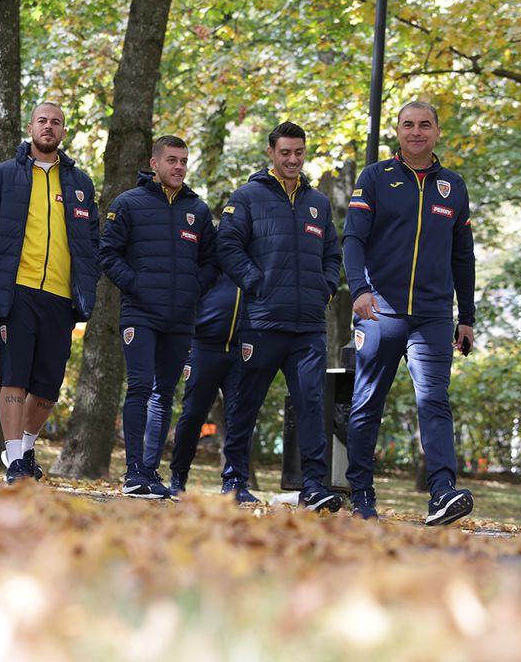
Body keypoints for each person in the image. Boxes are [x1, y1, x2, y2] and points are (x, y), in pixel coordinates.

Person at [343, 101, 476, 525]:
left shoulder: (453, 187)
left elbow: (463, 257)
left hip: (434, 315)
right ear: (397, 133)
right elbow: (352, 240)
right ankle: (361, 493)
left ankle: (442, 493)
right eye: (407, 126)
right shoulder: (375, 178)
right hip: (380, 309)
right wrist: (360, 290)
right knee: (367, 402)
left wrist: (467, 316)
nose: (416, 132)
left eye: (424, 125)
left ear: (437, 132)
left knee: (435, 400)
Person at [217, 121, 343, 510]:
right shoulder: (249, 197)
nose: (292, 159)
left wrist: (325, 286)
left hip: (307, 326)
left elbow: (333, 255)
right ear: (271, 153)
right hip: (262, 320)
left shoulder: (317, 203)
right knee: (246, 401)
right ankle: (234, 481)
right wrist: (256, 283)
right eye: (285, 152)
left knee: (311, 402)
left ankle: (313, 486)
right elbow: (228, 244)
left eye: (298, 152)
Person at [0, 102, 101, 484]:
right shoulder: (0, 177)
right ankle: (14, 460)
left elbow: (92, 240)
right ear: (30, 126)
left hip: (62, 296)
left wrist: (87, 277)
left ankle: (25, 448)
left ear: (64, 132)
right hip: (18, 291)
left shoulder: (80, 184)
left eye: (56, 122)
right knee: (14, 376)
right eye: (42, 121)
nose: (48, 127)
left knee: (48, 384)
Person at [100, 135, 218, 498]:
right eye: (172, 160)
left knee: (164, 393)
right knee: (139, 386)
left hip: (180, 318)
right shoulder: (129, 204)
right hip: (140, 313)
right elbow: (107, 253)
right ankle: (133, 471)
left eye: (183, 160)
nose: (179, 167)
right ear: (154, 164)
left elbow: (212, 262)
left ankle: (151, 472)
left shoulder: (197, 210)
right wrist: (136, 284)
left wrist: (192, 290)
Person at [156, 272, 242, 496]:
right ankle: (178, 477)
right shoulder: (207, 254)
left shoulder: (250, 255)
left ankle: (234, 482)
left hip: (241, 349)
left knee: (240, 417)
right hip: (203, 346)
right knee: (193, 414)